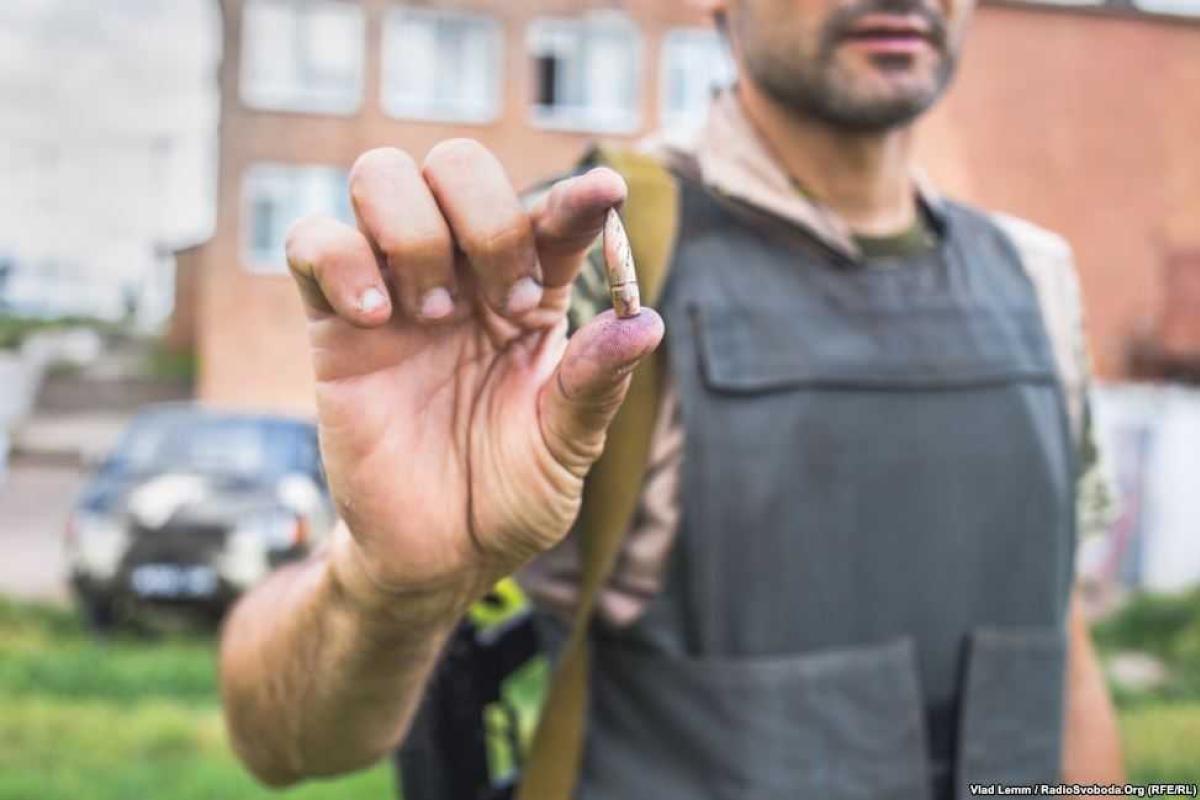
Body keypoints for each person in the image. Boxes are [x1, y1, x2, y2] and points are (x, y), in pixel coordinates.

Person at [218, 0, 1126, 797]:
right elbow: (281, 738)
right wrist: (389, 588)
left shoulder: (1034, 278)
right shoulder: (559, 274)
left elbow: (1058, 644)